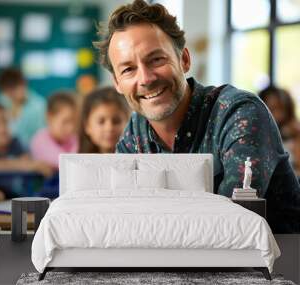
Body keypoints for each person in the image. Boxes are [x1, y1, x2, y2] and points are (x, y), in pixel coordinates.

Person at [94, 0, 300, 233]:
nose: (145, 78)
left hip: (282, 262)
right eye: (128, 69)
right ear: (118, 83)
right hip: (182, 264)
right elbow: (126, 222)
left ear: (184, 60)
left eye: (156, 59)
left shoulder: (240, 113)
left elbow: (232, 224)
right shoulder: (135, 133)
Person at [0, 102, 54, 177]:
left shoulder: (16, 142)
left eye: (5, 121)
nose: (2, 129)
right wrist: (22, 165)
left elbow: (31, 161)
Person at [0, 67, 46, 150]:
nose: (20, 90)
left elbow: (42, 136)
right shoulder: (1, 102)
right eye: (9, 90)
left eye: (21, 84)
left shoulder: (39, 105)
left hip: (30, 152)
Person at [30, 91, 78, 169]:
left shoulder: (73, 139)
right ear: (49, 117)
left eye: (74, 121)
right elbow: (65, 163)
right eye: (65, 121)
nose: (71, 127)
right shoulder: (39, 140)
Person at [78, 86, 130, 153]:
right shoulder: (74, 161)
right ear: (87, 126)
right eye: (101, 122)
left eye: (116, 121)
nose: (109, 128)